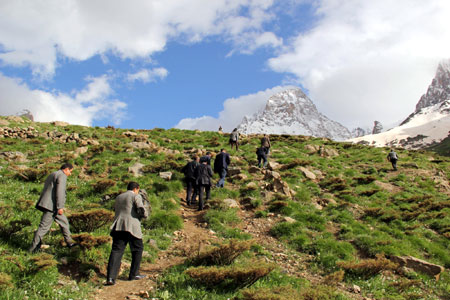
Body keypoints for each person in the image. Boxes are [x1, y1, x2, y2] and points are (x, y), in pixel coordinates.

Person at [106, 182, 149, 285]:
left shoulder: (119, 197)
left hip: (118, 226)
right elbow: (140, 209)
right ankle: (134, 274)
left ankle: (111, 278)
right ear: (136, 188)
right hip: (132, 226)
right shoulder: (136, 196)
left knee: (116, 251)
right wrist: (145, 215)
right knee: (138, 248)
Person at [29, 163, 77, 253]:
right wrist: (60, 207)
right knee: (43, 228)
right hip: (52, 207)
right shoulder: (62, 176)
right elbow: (60, 192)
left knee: (64, 223)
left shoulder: (53, 174)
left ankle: (70, 242)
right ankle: (33, 249)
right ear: (66, 169)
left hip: (49, 205)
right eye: (70, 172)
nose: (70, 174)